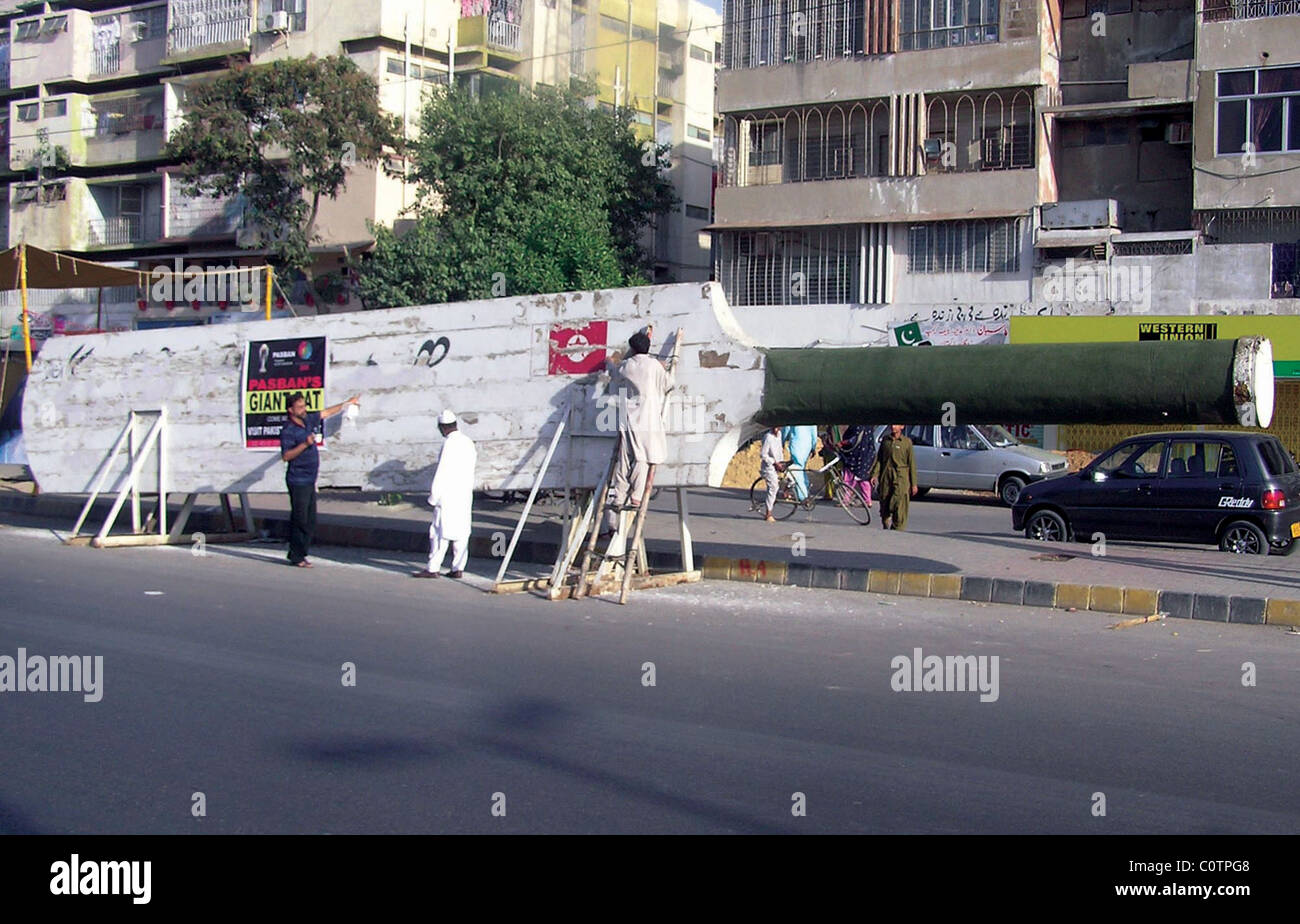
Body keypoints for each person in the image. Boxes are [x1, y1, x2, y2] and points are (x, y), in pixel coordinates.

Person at [279, 390, 361, 567]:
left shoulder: (307, 420)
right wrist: (305, 444)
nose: (304, 409)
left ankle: (301, 553)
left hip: (309, 479)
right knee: (300, 518)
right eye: (299, 407)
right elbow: (286, 456)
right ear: (290, 410)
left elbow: (326, 413)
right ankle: (296, 555)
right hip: (297, 479)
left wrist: (347, 404)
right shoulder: (289, 430)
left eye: (304, 405)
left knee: (309, 519)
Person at [603, 329, 674, 535]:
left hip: (629, 417)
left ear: (632, 348)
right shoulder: (654, 366)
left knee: (624, 459)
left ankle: (619, 496)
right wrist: (664, 368)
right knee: (642, 457)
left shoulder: (627, 366)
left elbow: (615, 375)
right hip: (649, 418)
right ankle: (636, 496)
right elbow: (670, 384)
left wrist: (609, 363)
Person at [413, 410, 477, 579]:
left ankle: (433, 568)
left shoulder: (449, 443)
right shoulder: (468, 442)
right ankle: (458, 568)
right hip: (464, 494)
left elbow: (442, 472)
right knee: (462, 532)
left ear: (442, 428)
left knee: (439, 533)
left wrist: (433, 496)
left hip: (448, 495)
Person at [869, 424, 917, 530]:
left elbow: (911, 464)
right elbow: (879, 460)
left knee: (899, 500)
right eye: (892, 425)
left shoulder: (906, 442)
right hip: (886, 475)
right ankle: (886, 519)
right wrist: (874, 474)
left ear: (902, 427)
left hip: (901, 476)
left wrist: (914, 484)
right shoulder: (886, 441)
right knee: (884, 498)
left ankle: (898, 526)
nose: (893, 427)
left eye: (896, 425)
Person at [838, 424, 876, 507]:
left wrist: (843, 443)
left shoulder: (858, 426)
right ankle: (867, 501)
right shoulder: (868, 427)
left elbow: (854, 439)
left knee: (851, 480)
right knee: (862, 479)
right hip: (864, 456)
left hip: (855, 457)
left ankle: (846, 500)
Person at [782, 424, 817, 502]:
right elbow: (814, 432)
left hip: (796, 445)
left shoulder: (794, 415)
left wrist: (782, 441)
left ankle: (803, 495)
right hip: (807, 445)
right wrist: (813, 447)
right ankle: (805, 488)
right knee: (801, 469)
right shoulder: (811, 417)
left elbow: (786, 428)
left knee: (797, 470)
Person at [759, 427, 786, 522]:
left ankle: (786, 493)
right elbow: (763, 454)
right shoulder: (768, 437)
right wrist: (774, 462)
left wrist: (782, 463)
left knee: (791, 477)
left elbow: (779, 451)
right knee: (773, 487)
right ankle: (768, 513)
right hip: (769, 467)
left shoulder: (779, 435)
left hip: (779, 464)